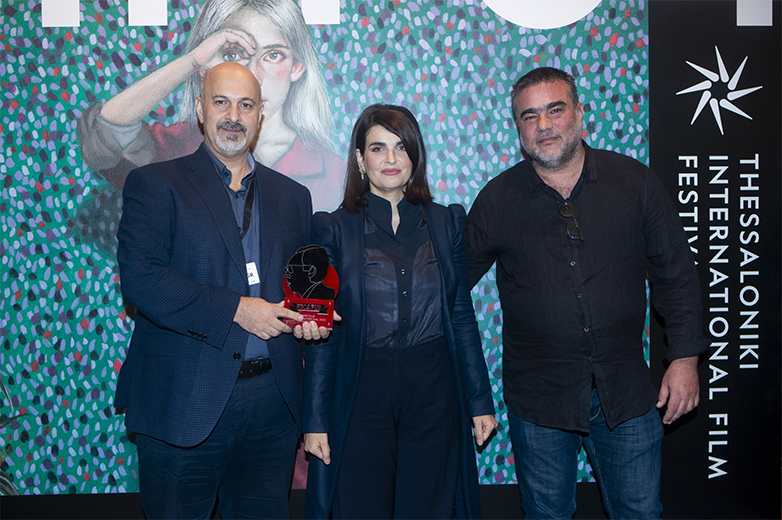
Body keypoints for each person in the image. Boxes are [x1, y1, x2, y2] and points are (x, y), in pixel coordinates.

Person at [465, 67, 707, 519]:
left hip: (626, 392)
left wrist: (685, 360)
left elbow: (676, 275)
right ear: (518, 128)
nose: (543, 125)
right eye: (530, 116)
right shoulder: (497, 200)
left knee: (640, 513)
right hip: (539, 397)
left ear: (579, 113)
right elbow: (448, 283)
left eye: (555, 110)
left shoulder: (635, 183)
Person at [115, 61, 330, 519]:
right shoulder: (155, 184)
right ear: (200, 108)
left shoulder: (294, 197)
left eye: (246, 105)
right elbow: (142, 279)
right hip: (182, 400)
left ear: (260, 115)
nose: (233, 116)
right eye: (221, 102)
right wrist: (237, 309)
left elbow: (301, 285)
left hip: (273, 406)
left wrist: (314, 315)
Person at [302, 104, 497, 519]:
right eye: (378, 148)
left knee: (428, 508)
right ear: (360, 159)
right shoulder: (332, 229)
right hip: (362, 389)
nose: (390, 159)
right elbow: (323, 336)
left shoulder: (446, 222)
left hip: (434, 388)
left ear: (415, 155)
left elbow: (461, 315)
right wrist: (315, 420)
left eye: (401, 147)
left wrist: (480, 400)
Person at [77, 0, 344, 212]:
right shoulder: (179, 146)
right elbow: (106, 131)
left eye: (273, 56)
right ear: (207, 67)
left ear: (297, 68)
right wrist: (192, 61)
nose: (253, 76)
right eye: (233, 54)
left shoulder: (332, 172)